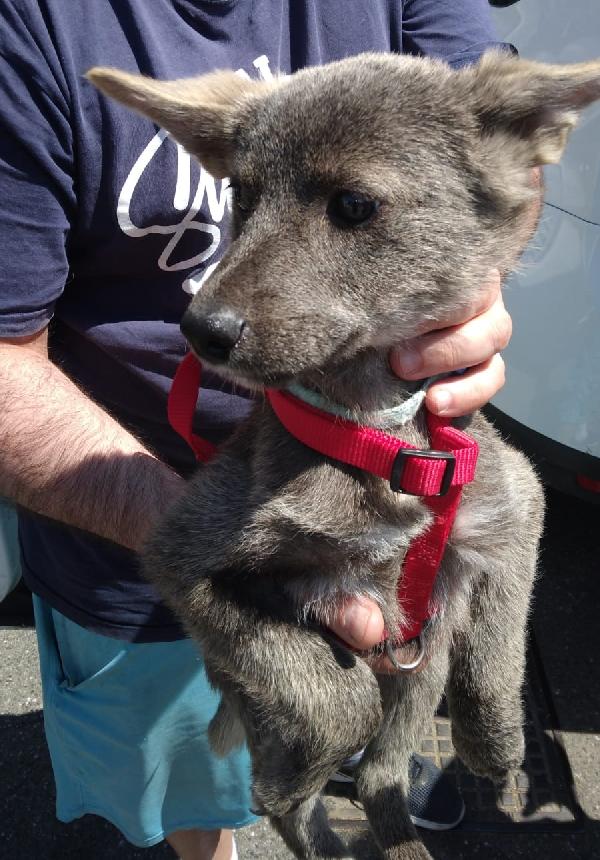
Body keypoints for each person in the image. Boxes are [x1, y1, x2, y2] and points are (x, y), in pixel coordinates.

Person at [0, 1, 515, 857]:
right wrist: (232, 554)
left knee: (363, 689)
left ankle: (360, 754)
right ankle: (216, 833)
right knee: (192, 781)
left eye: (349, 203)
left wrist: (472, 302)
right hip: (125, 535)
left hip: (380, 485)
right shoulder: (33, 24)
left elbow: (495, 163)